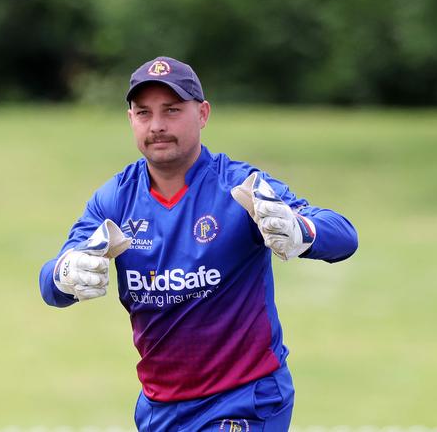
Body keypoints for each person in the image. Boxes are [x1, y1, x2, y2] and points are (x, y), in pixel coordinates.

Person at [39, 56, 359, 431]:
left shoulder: (239, 187)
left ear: (203, 114)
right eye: (144, 113)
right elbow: (51, 284)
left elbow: (343, 235)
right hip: (160, 407)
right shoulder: (115, 200)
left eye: (172, 111)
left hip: (244, 400)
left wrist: (301, 230)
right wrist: (66, 273)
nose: (157, 125)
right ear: (131, 120)